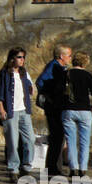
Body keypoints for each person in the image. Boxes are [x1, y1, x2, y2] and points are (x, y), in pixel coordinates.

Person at [56, 51, 92, 177]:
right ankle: (83, 169)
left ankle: (73, 168)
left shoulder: (66, 74)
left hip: (69, 110)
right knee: (84, 142)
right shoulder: (88, 75)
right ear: (85, 63)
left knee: (71, 141)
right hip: (85, 110)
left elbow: (59, 91)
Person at [0, 46, 35, 181]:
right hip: (11, 111)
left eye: (23, 57)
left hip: (24, 111)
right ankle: (13, 169)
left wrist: (31, 88)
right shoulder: (5, 73)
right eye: (19, 57)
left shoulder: (24, 73)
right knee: (12, 141)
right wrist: (1, 109)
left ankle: (26, 166)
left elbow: (29, 86)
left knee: (30, 139)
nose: (22, 60)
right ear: (12, 58)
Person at [35, 45, 72, 176]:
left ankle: (55, 167)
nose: (70, 58)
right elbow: (40, 82)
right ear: (61, 56)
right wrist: (50, 95)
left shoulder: (60, 67)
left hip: (57, 107)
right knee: (57, 136)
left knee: (58, 137)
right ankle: (53, 168)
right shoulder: (53, 66)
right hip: (53, 108)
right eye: (68, 55)